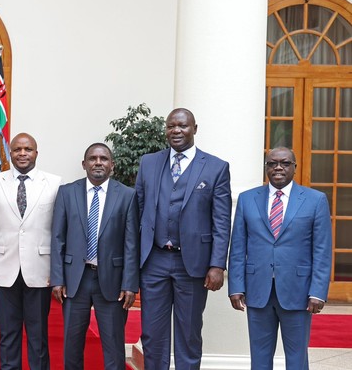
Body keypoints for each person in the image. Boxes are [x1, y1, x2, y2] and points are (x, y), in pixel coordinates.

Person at [135, 108, 231, 370]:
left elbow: (221, 221)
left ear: (195, 129)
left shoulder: (216, 168)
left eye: (183, 126)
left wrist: (217, 265)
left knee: (188, 335)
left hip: (193, 265)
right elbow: (139, 213)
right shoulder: (149, 163)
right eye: (171, 126)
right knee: (152, 336)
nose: (176, 130)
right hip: (153, 261)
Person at [228, 147, 331, 369]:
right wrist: (236, 287)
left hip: (299, 291)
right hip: (257, 291)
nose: (278, 167)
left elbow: (322, 250)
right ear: (266, 167)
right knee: (259, 357)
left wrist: (318, 292)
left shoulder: (315, 200)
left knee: (296, 359)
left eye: (285, 163)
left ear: (294, 167)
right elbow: (237, 247)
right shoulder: (247, 199)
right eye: (272, 163)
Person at [50, 143, 139, 369]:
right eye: (92, 158)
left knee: (113, 346)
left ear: (112, 165)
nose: (98, 162)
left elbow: (131, 244)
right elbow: (58, 238)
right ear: (84, 164)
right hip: (74, 281)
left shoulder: (127, 196)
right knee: (72, 344)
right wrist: (58, 278)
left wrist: (130, 283)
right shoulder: (67, 193)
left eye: (103, 158)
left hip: (112, 281)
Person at [0, 133, 61, 370]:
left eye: (27, 149)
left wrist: (57, 271)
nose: (22, 153)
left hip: (41, 270)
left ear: (36, 153)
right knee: (8, 334)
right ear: (10, 153)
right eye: (17, 149)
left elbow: (60, 232)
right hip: (3, 269)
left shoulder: (54, 183)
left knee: (38, 336)